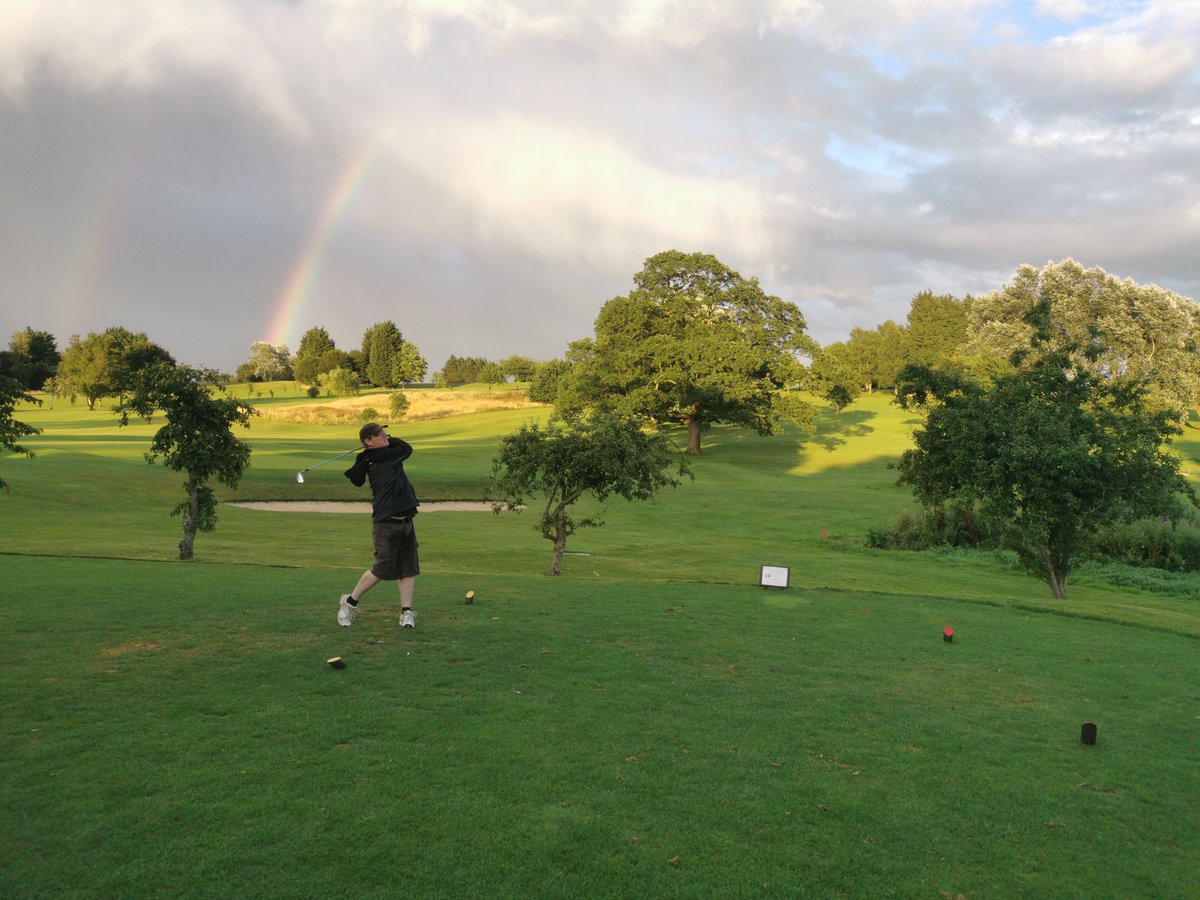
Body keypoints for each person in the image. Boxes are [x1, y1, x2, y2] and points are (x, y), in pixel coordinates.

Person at [337, 422, 420, 628]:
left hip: (405, 520)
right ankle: (349, 603)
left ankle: (406, 613)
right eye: (381, 435)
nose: (386, 436)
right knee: (382, 568)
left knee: (408, 568)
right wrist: (392, 441)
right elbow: (407, 449)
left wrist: (383, 443)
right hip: (386, 522)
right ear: (368, 441)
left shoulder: (376, 456)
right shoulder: (381, 458)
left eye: (385, 433)